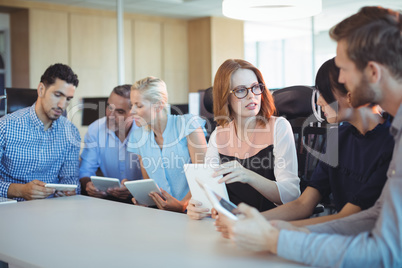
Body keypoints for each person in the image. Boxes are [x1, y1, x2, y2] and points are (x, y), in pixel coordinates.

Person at [224, 6, 402, 267]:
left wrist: (276, 239)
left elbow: (387, 251)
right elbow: (375, 216)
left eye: (344, 69)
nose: (340, 78)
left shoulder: (389, 139)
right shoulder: (388, 133)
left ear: (373, 72)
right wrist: (277, 230)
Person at [254, 58, 393, 227]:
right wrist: (252, 219)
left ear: (350, 96)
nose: (318, 101)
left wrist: (271, 228)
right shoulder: (338, 137)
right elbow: (303, 204)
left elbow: (348, 218)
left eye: (323, 93)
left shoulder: (392, 143)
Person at [187, 59, 300, 220]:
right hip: (232, 226)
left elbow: (291, 195)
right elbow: (210, 193)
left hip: (269, 225)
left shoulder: (279, 127)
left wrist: (249, 176)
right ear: (225, 97)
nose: (251, 95)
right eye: (241, 90)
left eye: (255, 87)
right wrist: (198, 207)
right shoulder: (218, 136)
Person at [0, 63, 80, 201]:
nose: (62, 105)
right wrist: (20, 190)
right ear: (41, 89)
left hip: (52, 209)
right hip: (12, 207)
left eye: (68, 99)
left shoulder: (71, 133)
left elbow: (71, 181)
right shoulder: (5, 126)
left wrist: (68, 190)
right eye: (57, 95)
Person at [128, 77, 207, 212]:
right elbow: (150, 185)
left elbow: (204, 176)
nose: (132, 111)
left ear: (159, 105)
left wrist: (182, 206)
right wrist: (146, 200)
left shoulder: (188, 125)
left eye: (139, 105)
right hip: (162, 215)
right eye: (132, 105)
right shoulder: (138, 137)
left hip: (196, 212)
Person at [79, 85, 143, 202]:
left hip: (141, 202)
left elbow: (156, 181)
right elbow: (85, 170)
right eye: (109, 107)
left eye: (119, 111)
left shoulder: (146, 133)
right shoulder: (95, 130)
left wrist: (135, 189)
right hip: (109, 200)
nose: (110, 115)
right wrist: (88, 184)